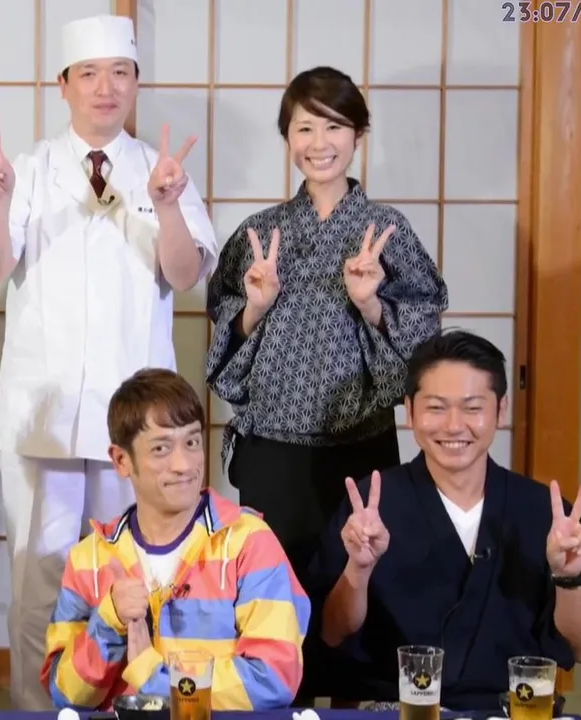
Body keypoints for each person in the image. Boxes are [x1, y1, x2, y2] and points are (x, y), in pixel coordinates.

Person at [0, 15, 218, 709]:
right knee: (37, 579)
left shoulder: (160, 172)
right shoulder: (27, 170)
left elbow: (184, 274)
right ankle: (35, 710)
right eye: (90, 74)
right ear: (64, 85)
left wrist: (167, 206)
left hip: (134, 420)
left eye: (120, 73)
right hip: (42, 412)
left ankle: (132, 704)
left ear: (135, 84)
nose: (106, 87)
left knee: (136, 575)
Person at [205, 65, 447, 594]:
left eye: (335, 126)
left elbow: (423, 337)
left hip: (360, 442)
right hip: (272, 449)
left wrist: (370, 304)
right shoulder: (258, 232)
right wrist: (256, 307)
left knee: (360, 583)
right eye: (305, 128)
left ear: (357, 135)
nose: (320, 143)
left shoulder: (387, 230)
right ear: (288, 137)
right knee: (270, 591)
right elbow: (224, 326)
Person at [311, 330, 581, 712]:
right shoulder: (372, 506)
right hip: (400, 711)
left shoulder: (543, 513)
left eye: (472, 408)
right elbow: (332, 633)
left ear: (500, 410)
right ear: (410, 411)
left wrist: (568, 578)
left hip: (513, 711)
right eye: (436, 407)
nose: (454, 426)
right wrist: (358, 569)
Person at [42, 369, 307, 710]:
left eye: (192, 442)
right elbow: (64, 695)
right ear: (122, 460)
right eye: (161, 448)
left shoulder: (249, 543)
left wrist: (155, 676)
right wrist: (109, 621)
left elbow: (274, 678)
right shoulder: (89, 558)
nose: (184, 465)